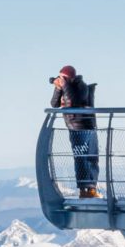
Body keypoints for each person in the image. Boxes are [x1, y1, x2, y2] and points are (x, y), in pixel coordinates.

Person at [50, 65, 100, 199]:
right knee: (81, 158)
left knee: (91, 157)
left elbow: (74, 101)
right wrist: (58, 88)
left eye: (64, 78)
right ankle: (85, 190)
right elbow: (54, 104)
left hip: (85, 126)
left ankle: (91, 190)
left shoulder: (80, 86)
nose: (62, 80)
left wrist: (65, 86)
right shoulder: (67, 88)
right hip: (74, 128)